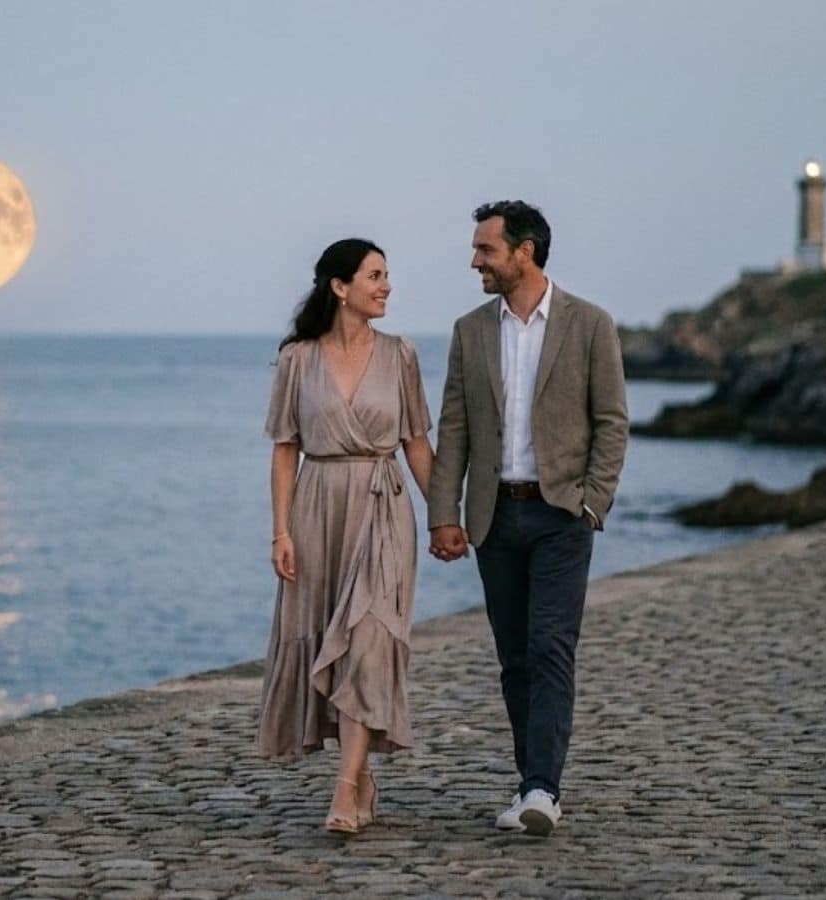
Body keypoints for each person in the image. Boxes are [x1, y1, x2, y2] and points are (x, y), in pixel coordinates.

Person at [428, 201, 628, 836]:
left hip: (562, 515)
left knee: (549, 649)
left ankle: (544, 788)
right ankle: (529, 785)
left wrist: (593, 501)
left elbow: (612, 421)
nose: (474, 261)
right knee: (514, 658)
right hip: (495, 519)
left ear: (525, 251)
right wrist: (444, 515)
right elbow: (454, 426)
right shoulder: (470, 330)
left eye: (485, 249)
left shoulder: (589, 324)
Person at [257, 238, 434, 834]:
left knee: (368, 641)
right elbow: (285, 449)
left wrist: (448, 517)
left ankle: (342, 790)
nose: (386, 286)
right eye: (374, 276)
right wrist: (280, 531)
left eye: (387, 276)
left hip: (384, 506)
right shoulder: (298, 360)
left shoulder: (400, 354)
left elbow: (416, 444)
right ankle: (359, 775)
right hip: (317, 505)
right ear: (340, 286)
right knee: (328, 643)